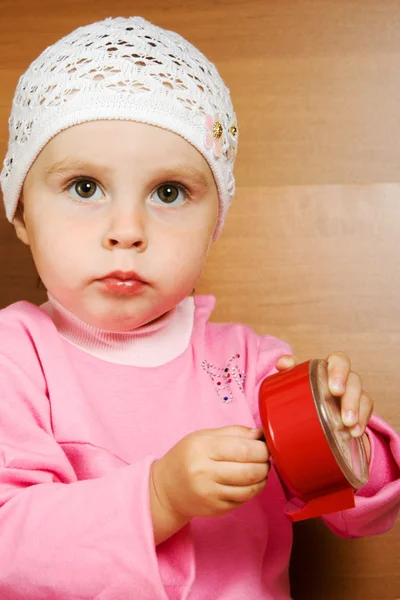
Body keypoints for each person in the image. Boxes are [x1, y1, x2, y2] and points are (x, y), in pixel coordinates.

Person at [0, 16, 398, 600]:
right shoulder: (17, 355)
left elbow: (357, 511)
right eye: (85, 187)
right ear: (20, 214)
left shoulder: (251, 365)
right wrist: (159, 497)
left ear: (215, 222)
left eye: (169, 192)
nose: (127, 230)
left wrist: (346, 437)